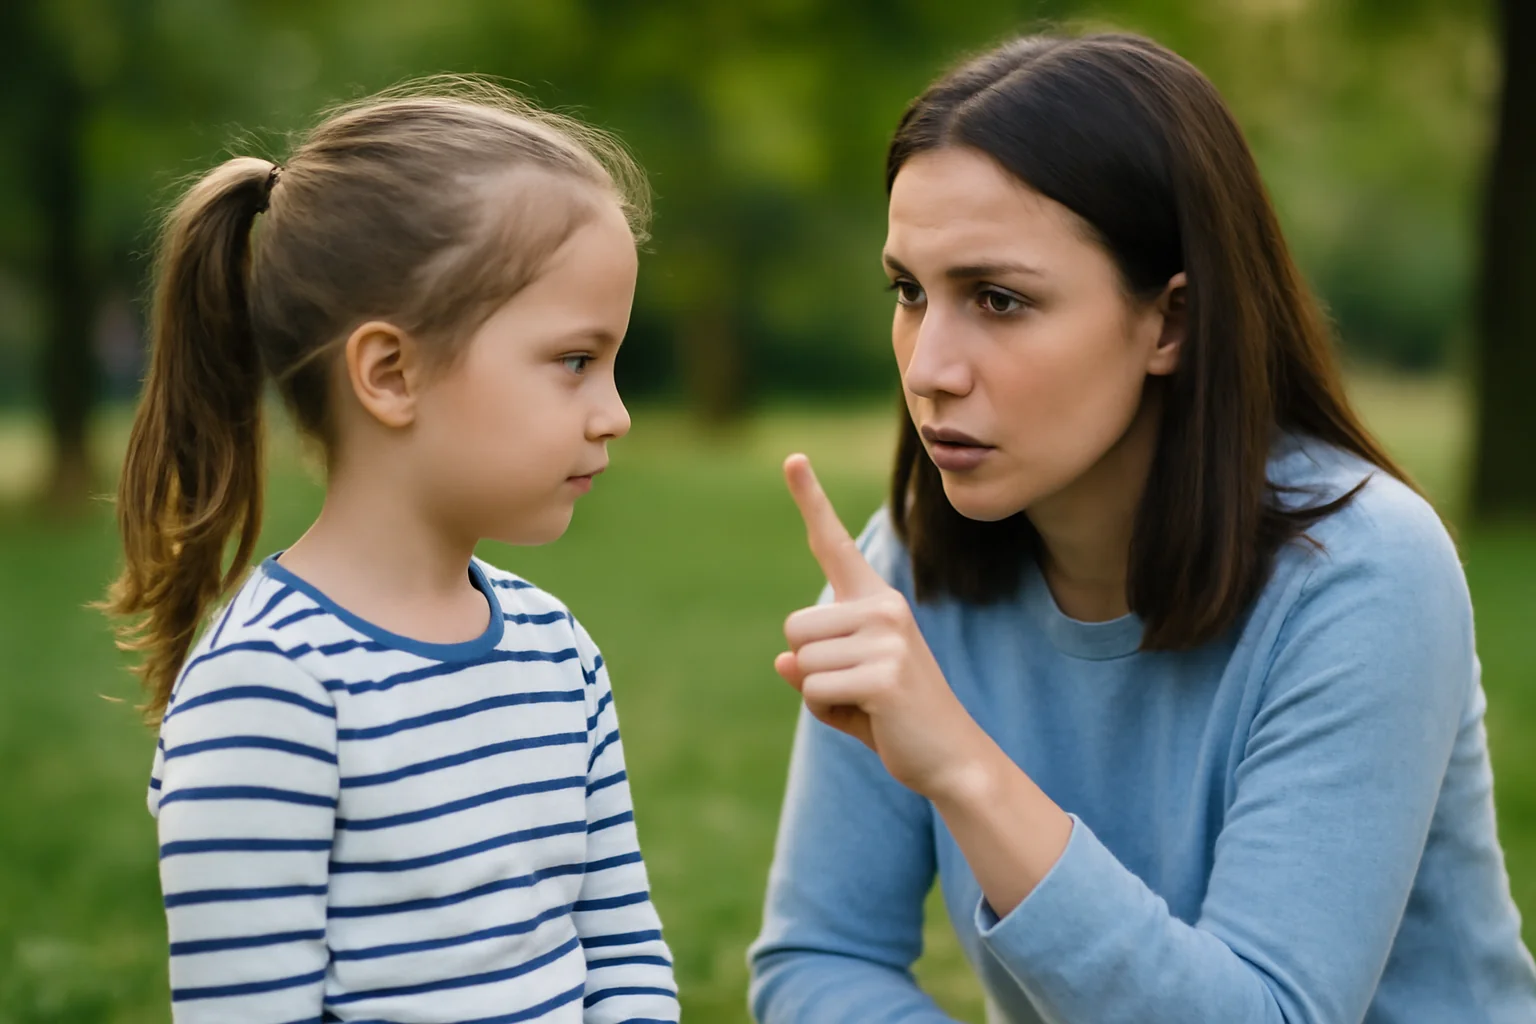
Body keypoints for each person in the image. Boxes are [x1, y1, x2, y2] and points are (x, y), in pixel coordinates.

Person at [750, 32, 1536, 1024]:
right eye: (909, 291)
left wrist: (962, 763)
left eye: (999, 298)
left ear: (1171, 322)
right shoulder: (909, 563)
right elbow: (822, 959)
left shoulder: (1364, 568)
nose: (930, 365)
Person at [102, 82, 678, 1023]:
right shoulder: (271, 686)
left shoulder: (558, 652)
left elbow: (619, 945)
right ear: (390, 373)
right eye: (576, 361)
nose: (614, 415)